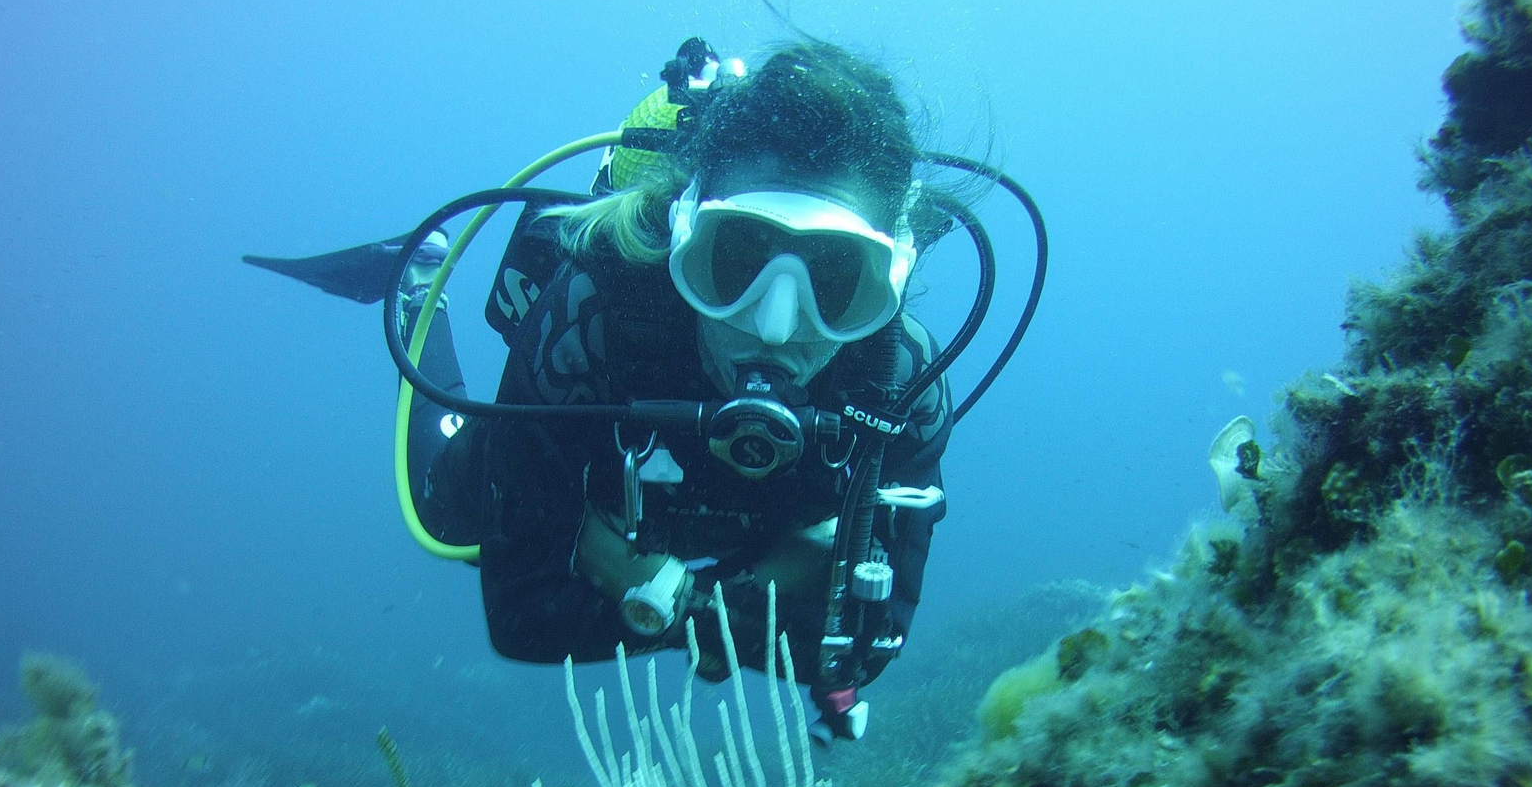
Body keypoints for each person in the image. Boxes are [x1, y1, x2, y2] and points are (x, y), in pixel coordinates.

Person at [248, 39, 992, 747]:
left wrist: (657, 591)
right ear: (683, 237)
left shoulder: (901, 382)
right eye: (735, 259)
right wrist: (731, 609)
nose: (773, 326)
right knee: (446, 512)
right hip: (618, 495)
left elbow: (864, 648)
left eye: (834, 279)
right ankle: (417, 287)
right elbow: (522, 615)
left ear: (889, 282)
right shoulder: (594, 312)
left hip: (659, 541)